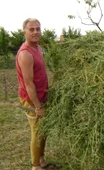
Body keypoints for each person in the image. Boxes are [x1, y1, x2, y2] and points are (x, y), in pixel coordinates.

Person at [16, 18, 49, 170]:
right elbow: (29, 83)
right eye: (31, 29)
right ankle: (35, 166)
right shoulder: (25, 54)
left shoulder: (38, 49)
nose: (36, 32)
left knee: (44, 129)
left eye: (38, 29)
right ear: (25, 32)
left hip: (42, 96)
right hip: (31, 99)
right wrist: (37, 106)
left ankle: (41, 158)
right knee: (37, 130)